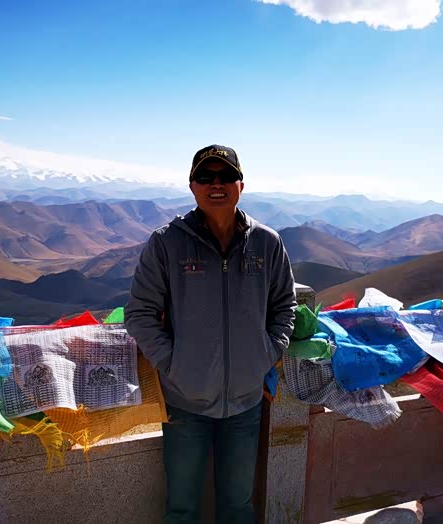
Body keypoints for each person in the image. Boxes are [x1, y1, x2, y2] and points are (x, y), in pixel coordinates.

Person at [124, 144, 297, 523]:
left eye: (226, 176)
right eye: (206, 176)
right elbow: (139, 314)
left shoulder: (267, 243)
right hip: (185, 403)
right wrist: (175, 365)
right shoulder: (167, 243)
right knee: (182, 508)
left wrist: (266, 354)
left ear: (241, 185)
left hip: (246, 402)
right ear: (192, 186)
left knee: (238, 506)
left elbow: (285, 306)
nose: (216, 184)